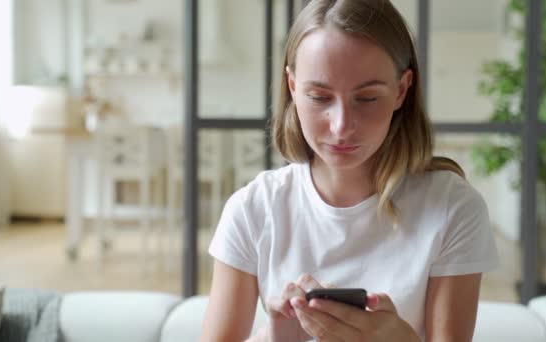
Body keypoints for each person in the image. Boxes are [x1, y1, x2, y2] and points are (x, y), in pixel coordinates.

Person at [201, 0, 499, 341]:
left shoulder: (452, 208)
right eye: (319, 97)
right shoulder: (254, 208)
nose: (342, 127)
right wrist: (275, 337)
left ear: (402, 89)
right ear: (292, 87)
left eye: (367, 98)